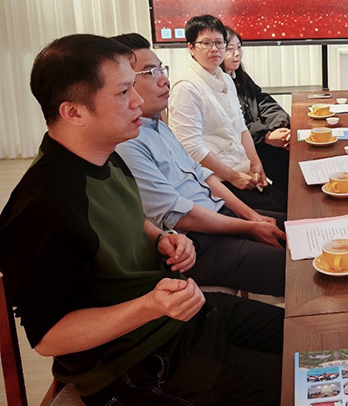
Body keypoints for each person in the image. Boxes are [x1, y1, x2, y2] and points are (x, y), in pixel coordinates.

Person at [0, 34, 283, 404]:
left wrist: (160, 238)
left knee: (303, 340)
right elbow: (49, 337)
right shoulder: (43, 206)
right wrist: (150, 305)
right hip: (137, 363)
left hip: (182, 319)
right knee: (307, 383)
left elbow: (129, 217)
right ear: (74, 112)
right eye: (122, 92)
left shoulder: (106, 156)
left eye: (134, 86)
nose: (137, 100)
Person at [112, 33, 286, 296]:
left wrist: (251, 216)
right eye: (150, 72)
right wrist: (250, 225)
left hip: (221, 214)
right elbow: (178, 214)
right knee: (295, 267)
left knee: (301, 228)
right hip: (199, 242)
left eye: (161, 69)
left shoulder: (158, 125)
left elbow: (203, 175)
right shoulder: (128, 142)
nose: (164, 80)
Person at [168, 14, 287, 212]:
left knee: (288, 202)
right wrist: (233, 177)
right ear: (191, 47)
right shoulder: (186, 88)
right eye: (206, 43)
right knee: (282, 216)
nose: (215, 48)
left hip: (241, 168)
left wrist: (256, 163)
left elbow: (241, 127)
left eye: (219, 42)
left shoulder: (226, 79)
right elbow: (191, 149)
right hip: (217, 181)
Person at [222, 26, 291, 193]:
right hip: (247, 150)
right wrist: (266, 136)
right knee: (288, 162)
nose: (237, 54)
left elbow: (263, 101)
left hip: (262, 140)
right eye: (230, 49)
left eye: (239, 47)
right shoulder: (219, 86)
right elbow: (235, 125)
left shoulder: (240, 76)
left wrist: (279, 126)